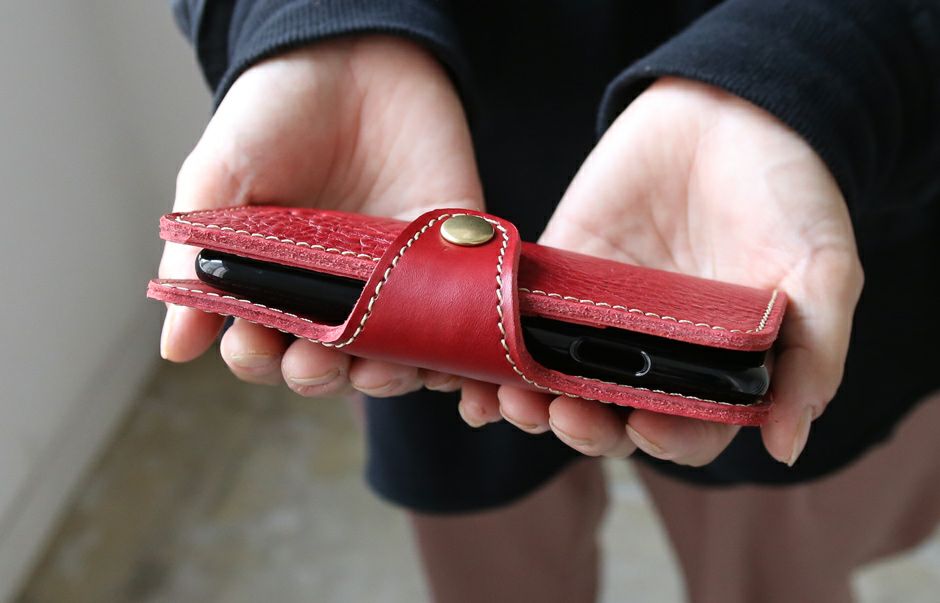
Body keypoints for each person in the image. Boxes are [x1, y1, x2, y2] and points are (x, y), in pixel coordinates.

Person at [160, 1, 940, 601]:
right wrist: (303, 16)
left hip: (792, 186)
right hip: (405, 222)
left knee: (772, 568)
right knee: (492, 565)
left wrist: (822, 59)